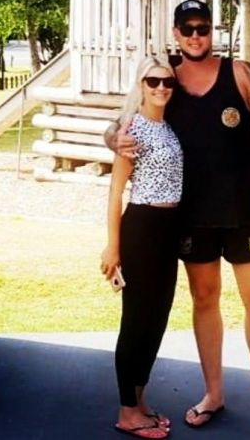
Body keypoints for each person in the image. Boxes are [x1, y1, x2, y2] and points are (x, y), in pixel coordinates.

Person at [105, 0, 250, 427]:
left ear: (212, 30)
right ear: (176, 34)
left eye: (202, 27)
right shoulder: (167, 79)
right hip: (192, 216)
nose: (195, 36)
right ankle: (213, 394)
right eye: (187, 29)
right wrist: (111, 138)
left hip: (243, 209)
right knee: (204, 299)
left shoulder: (242, 73)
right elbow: (128, 118)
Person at [100, 56, 183, 439]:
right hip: (141, 227)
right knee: (135, 321)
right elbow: (116, 192)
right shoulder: (132, 129)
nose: (161, 87)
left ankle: (139, 399)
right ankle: (127, 412)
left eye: (167, 82)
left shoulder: (169, 126)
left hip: (169, 228)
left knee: (157, 318)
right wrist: (112, 247)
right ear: (141, 86)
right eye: (153, 81)